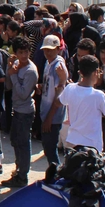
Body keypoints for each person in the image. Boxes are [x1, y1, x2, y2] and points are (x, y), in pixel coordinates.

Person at [58, 55, 105, 151]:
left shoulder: (70, 88)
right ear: (96, 72)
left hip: (72, 141)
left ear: (80, 72)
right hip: (92, 145)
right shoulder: (99, 95)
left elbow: (58, 102)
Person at [3, 36, 37, 188]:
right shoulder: (16, 65)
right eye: (20, 52)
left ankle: (22, 175)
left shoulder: (30, 71)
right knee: (16, 142)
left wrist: (13, 75)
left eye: (26, 52)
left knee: (23, 144)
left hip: (25, 112)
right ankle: (19, 170)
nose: (24, 55)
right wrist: (9, 69)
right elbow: (9, 86)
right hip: (16, 110)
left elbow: (23, 93)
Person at [39, 34, 68, 167]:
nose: (47, 53)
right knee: (47, 146)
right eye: (45, 50)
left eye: (50, 49)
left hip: (53, 115)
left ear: (57, 49)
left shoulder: (58, 66)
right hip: (45, 110)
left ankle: (57, 174)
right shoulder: (48, 63)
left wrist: (50, 118)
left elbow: (59, 95)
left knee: (50, 148)